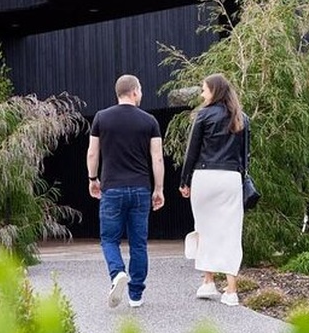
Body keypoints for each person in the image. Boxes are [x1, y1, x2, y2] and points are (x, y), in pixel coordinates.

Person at [87, 74, 165, 308]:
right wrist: (159, 189)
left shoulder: (101, 118)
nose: (141, 94)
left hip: (112, 189)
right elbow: (157, 157)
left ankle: (117, 273)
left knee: (109, 239)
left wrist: (93, 179)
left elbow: (92, 153)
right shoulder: (149, 121)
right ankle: (136, 295)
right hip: (141, 189)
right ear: (134, 91)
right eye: (140, 90)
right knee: (138, 243)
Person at [179, 73, 249, 307]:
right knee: (230, 232)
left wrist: (184, 180)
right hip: (230, 178)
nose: (201, 94)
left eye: (204, 90)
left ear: (214, 91)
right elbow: (244, 156)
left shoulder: (204, 115)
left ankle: (208, 282)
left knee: (204, 228)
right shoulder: (242, 118)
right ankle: (231, 290)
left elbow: (192, 151)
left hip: (205, 177)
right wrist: (242, 180)